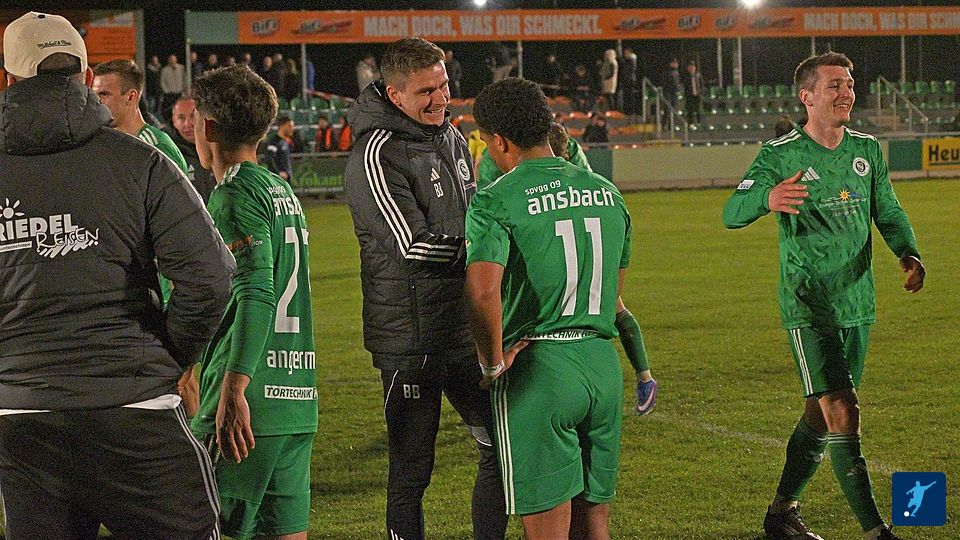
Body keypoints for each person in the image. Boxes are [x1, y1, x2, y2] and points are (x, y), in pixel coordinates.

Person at [0, 11, 234, 539]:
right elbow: (210, 278)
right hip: (136, 409)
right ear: (86, 76)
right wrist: (168, 354)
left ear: (10, 79)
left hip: (21, 419)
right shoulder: (140, 162)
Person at [722, 52, 925, 540]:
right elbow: (732, 211)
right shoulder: (780, 155)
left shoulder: (867, 150)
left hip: (857, 302)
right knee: (843, 409)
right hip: (809, 304)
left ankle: (781, 513)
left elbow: (888, 210)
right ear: (807, 97)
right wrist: (766, 198)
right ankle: (876, 531)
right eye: (834, 85)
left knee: (819, 413)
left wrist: (908, 252)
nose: (846, 92)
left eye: (849, 84)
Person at [343, 37, 505, 540]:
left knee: (500, 447)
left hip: (463, 331)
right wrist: (486, 258)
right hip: (410, 340)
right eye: (426, 92)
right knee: (412, 473)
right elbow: (411, 248)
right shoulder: (376, 154)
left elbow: (474, 215)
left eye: (444, 86)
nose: (440, 99)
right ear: (394, 95)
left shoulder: (451, 136)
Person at [464, 77, 632, 540]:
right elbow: (613, 295)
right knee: (594, 524)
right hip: (602, 367)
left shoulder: (495, 198)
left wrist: (491, 364)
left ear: (499, 141)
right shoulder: (607, 192)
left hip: (541, 370)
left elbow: (482, 292)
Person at [190, 64, 317, 540]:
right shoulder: (280, 189)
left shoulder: (233, 193)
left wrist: (234, 386)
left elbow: (257, 290)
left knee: (202, 526)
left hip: (250, 401)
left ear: (207, 127)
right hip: (296, 396)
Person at [477, 121, 659, 413]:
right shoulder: (582, 169)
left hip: (552, 260)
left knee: (511, 301)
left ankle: (500, 367)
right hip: (593, 329)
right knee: (615, 305)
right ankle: (645, 376)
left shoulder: (507, 171)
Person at [93, 59, 193, 314]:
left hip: (161, 283)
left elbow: (181, 222)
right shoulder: (107, 147)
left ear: (131, 97)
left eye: (104, 94)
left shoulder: (155, 148)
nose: (96, 102)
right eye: (94, 94)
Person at [166, 96, 218, 203]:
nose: (187, 124)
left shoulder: (219, 146)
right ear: (174, 121)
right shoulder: (169, 153)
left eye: (192, 116)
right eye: (181, 118)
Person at [262, 114, 295, 181]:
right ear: (282, 126)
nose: (292, 129)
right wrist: (278, 173)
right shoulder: (274, 142)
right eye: (289, 126)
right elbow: (269, 158)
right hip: (278, 180)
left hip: (286, 179)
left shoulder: (285, 142)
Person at [159, 53, 185, 117]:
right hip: (169, 94)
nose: (172, 61)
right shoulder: (165, 70)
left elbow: (185, 79)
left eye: (173, 59)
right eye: (171, 59)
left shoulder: (181, 68)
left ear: (176, 59)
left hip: (179, 93)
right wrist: (166, 91)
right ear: (168, 60)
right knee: (169, 109)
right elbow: (162, 81)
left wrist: (183, 89)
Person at [619, 48, 639, 115]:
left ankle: (630, 110)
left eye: (626, 53)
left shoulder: (631, 60)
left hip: (629, 80)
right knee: (627, 95)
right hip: (628, 80)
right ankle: (628, 110)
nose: (625, 54)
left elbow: (628, 71)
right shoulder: (628, 60)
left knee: (629, 95)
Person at [683, 60, 704, 124]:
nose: (691, 68)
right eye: (690, 67)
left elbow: (702, 84)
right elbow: (685, 87)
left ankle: (699, 122)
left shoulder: (698, 75)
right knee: (690, 110)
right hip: (690, 96)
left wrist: (701, 92)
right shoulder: (686, 77)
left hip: (697, 95)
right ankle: (691, 123)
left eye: (693, 67)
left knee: (698, 109)